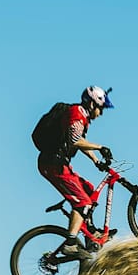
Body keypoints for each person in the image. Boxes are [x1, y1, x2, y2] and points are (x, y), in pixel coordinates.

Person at [37, 86, 114, 257]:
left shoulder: (81, 116)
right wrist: (100, 147)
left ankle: (89, 234)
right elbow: (74, 141)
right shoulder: (76, 114)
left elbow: (79, 141)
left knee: (89, 189)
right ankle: (70, 243)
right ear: (92, 104)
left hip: (59, 164)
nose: (101, 113)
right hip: (53, 164)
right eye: (100, 109)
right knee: (83, 202)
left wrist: (96, 160)